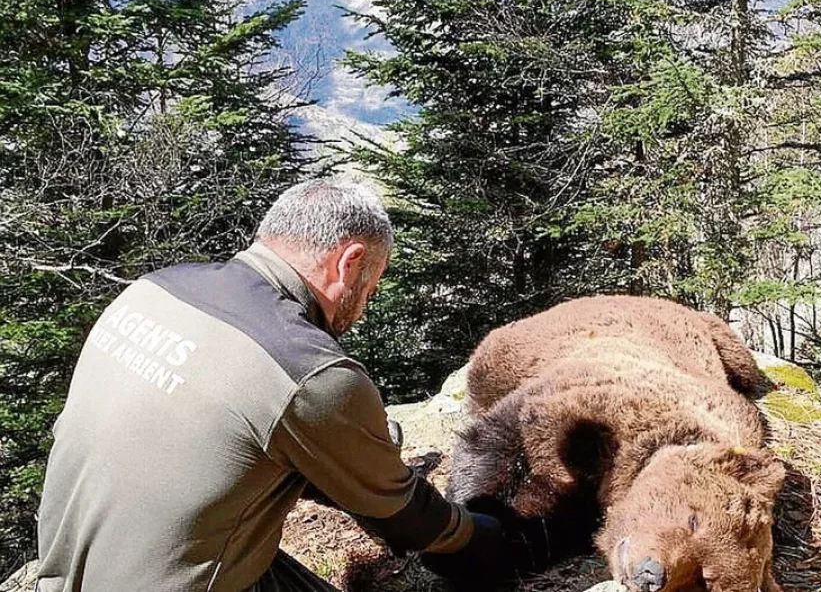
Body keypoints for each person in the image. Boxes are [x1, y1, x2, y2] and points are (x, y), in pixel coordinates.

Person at [36, 176, 509, 591]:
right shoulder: (309, 371)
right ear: (350, 262)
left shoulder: (152, 289)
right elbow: (403, 517)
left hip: (69, 569)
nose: (367, 301)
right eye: (373, 284)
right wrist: (489, 536)